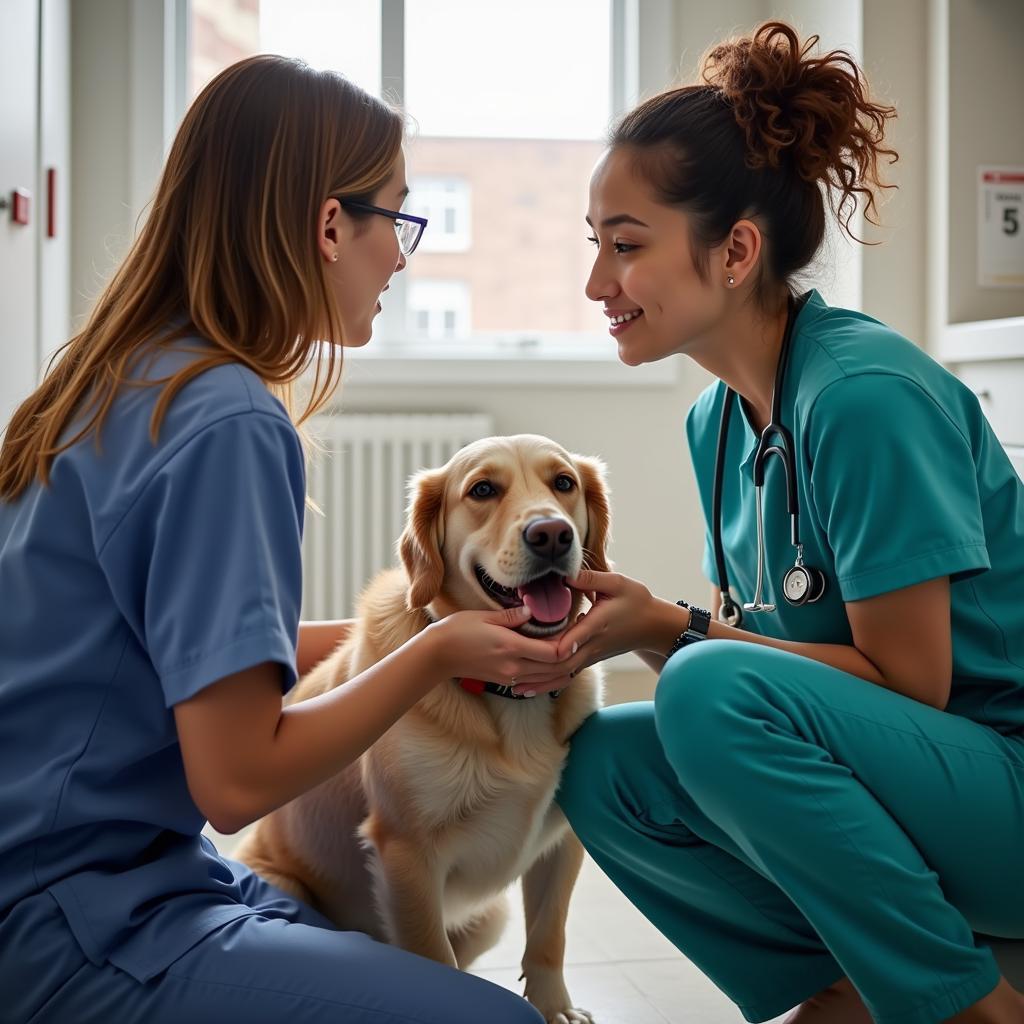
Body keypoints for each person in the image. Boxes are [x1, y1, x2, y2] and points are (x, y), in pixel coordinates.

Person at [0, 55, 563, 1024]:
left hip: (100, 874)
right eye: (398, 216)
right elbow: (238, 776)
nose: (400, 255)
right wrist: (433, 651)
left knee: (385, 953)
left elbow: (170, 654)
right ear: (329, 224)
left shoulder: (125, 379)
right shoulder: (226, 421)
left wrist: (389, 630)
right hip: (72, 913)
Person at [508, 21, 1024, 1024]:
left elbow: (909, 686)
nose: (596, 285)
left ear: (735, 249)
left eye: (625, 247)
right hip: (916, 786)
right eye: (594, 247)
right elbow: (774, 670)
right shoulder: (716, 420)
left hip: (998, 780)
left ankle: (968, 1005)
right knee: (606, 763)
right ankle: (837, 988)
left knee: (702, 682)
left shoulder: (865, 397)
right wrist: (644, 631)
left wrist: (671, 629)